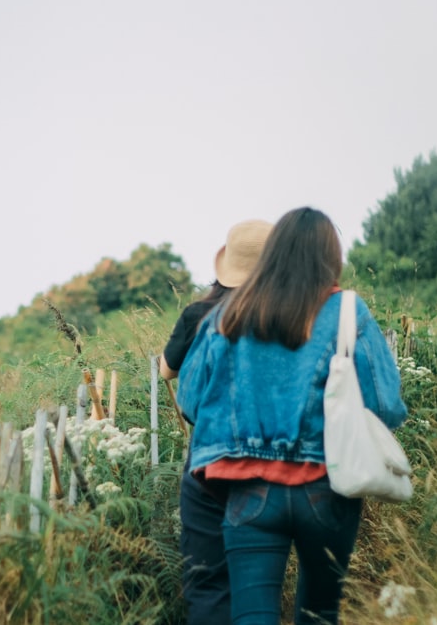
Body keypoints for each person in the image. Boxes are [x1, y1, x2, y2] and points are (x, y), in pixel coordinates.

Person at [178, 207, 407, 625]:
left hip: (248, 493)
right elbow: (387, 405)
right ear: (331, 259)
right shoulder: (348, 312)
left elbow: (191, 399)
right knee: (319, 614)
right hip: (328, 488)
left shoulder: (227, 314)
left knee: (251, 616)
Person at [160, 219, 274, 624]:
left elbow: (166, 372)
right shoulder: (283, 315)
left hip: (208, 459)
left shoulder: (199, 314)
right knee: (258, 585)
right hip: (270, 461)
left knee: (207, 581)